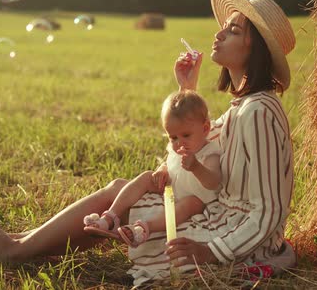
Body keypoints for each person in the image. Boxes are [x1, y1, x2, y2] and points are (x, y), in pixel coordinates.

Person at [0, 0, 296, 286]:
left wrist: (209, 251)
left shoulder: (259, 112)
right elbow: (190, 146)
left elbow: (267, 212)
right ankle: (20, 242)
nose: (219, 33)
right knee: (120, 191)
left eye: (234, 31)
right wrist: (186, 88)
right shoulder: (242, 108)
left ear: (257, 51)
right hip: (220, 217)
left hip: (235, 239)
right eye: (224, 27)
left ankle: (14, 251)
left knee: (126, 205)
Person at [83, 90, 221, 248]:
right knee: (147, 176)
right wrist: (162, 170)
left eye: (186, 135)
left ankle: (144, 227)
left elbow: (214, 182)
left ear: (205, 129)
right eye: (173, 137)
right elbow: (170, 163)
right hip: (171, 191)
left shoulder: (210, 153)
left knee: (192, 203)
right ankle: (109, 217)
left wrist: (196, 166)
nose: (179, 143)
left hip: (197, 200)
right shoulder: (176, 148)